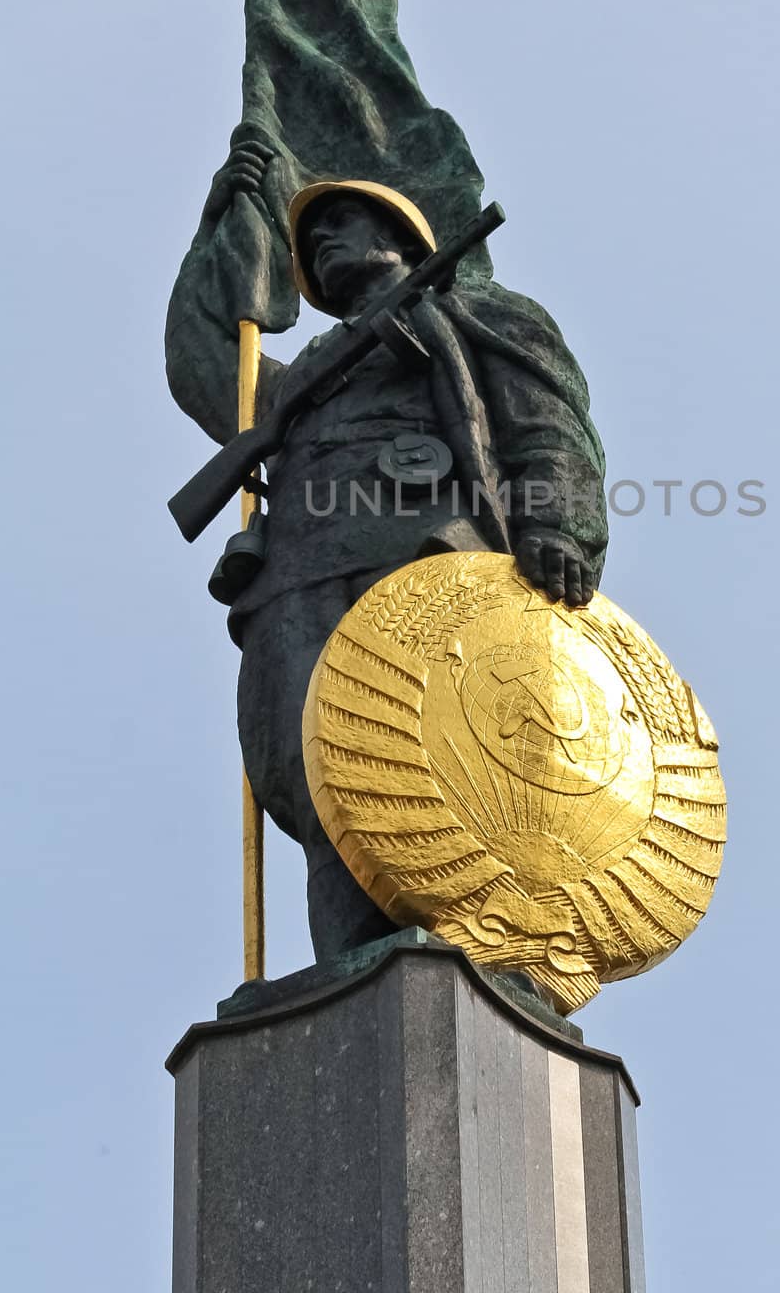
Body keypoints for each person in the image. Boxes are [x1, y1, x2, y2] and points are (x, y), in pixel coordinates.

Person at [166, 138, 608, 959]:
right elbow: (209, 369)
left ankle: (474, 947)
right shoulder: (302, 375)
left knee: (438, 756)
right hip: (296, 574)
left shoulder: (478, 313)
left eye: (340, 222)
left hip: (424, 555)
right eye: (309, 236)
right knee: (312, 774)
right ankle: (348, 961)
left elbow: (546, 424)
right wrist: (219, 233)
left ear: (400, 237)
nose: (321, 243)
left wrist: (556, 526)